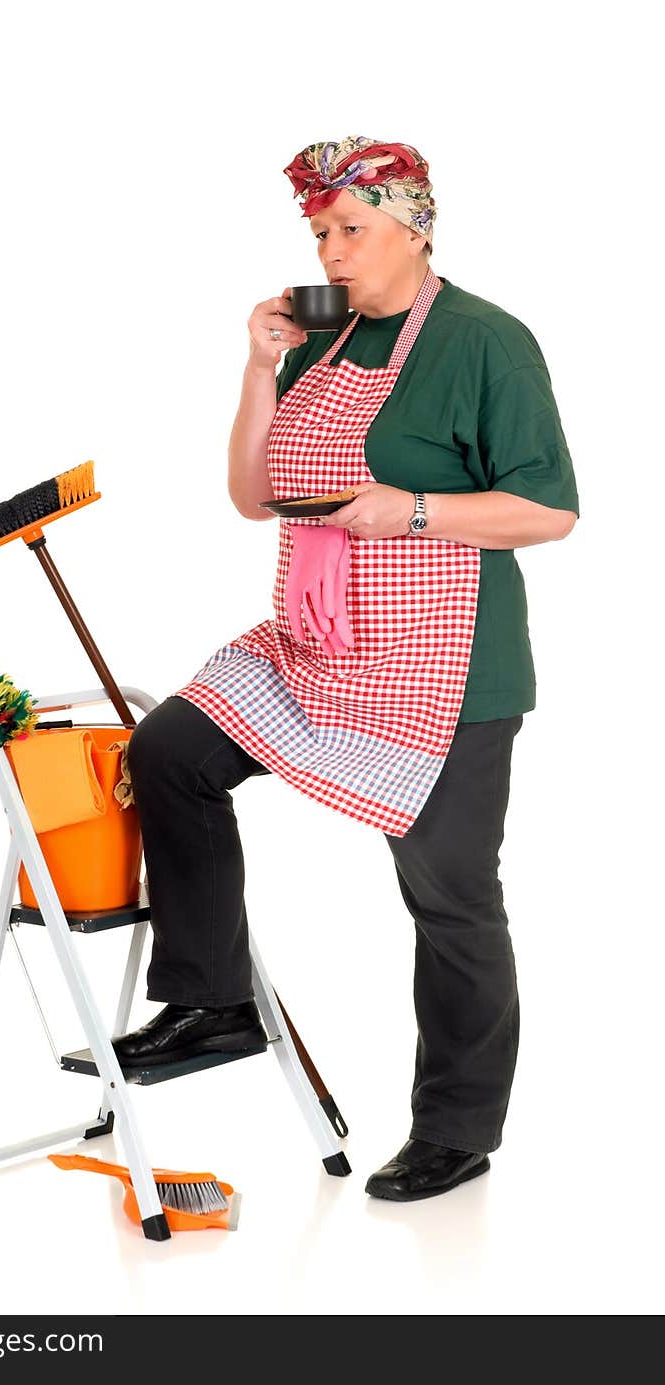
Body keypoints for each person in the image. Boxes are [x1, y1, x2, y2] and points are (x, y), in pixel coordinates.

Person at [114, 136, 580, 1202]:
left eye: (349, 228)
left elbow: (549, 509)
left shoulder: (483, 343)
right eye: (318, 231)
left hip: (442, 667)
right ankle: (211, 994)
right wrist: (255, 362)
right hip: (315, 644)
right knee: (172, 747)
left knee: (448, 897)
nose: (330, 250)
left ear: (414, 226)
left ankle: (455, 1129)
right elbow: (251, 494)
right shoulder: (319, 343)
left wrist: (413, 510)